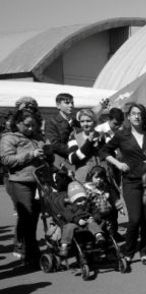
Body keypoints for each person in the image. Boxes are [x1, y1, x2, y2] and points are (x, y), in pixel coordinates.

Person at [100, 104, 146, 267]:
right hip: (130, 180)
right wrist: (118, 164)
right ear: (129, 117)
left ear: (143, 116)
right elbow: (104, 151)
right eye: (133, 114)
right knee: (135, 219)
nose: (137, 116)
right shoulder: (122, 134)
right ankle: (128, 252)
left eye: (140, 114)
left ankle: (145, 252)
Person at [0, 106, 52, 270]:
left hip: (38, 181)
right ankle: (31, 255)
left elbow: (48, 154)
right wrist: (31, 154)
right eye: (27, 125)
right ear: (18, 123)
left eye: (34, 126)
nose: (31, 129)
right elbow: (7, 160)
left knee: (35, 218)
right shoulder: (8, 138)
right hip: (20, 181)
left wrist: (46, 153)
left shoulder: (37, 136)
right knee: (27, 217)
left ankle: (25, 249)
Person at [48, 181, 105, 257]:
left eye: (83, 199)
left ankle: (99, 236)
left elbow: (95, 212)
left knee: (93, 223)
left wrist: (93, 218)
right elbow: (68, 216)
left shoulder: (88, 205)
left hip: (87, 222)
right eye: (78, 201)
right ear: (73, 201)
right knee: (68, 227)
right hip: (74, 223)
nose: (82, 202)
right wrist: (78, 220)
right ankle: (64, 246)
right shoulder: (69, 207)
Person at [66, 109, 108, 182]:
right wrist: (89, 142)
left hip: (100, 179)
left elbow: (106, 157)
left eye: (88, 121)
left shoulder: (102, 136)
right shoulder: (74, 137)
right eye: (82, 121)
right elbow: (72, 159)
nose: (85, 124)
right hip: (82, 180)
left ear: (94, 122)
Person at [45, 93, 78, 169]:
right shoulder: (52, 121)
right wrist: (74, 151)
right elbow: (54, 144)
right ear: (58, 105)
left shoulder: (75, 121)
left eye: (72, 103)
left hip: (75, 159)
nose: (71, 105)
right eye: (67, 103)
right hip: (61, 163)